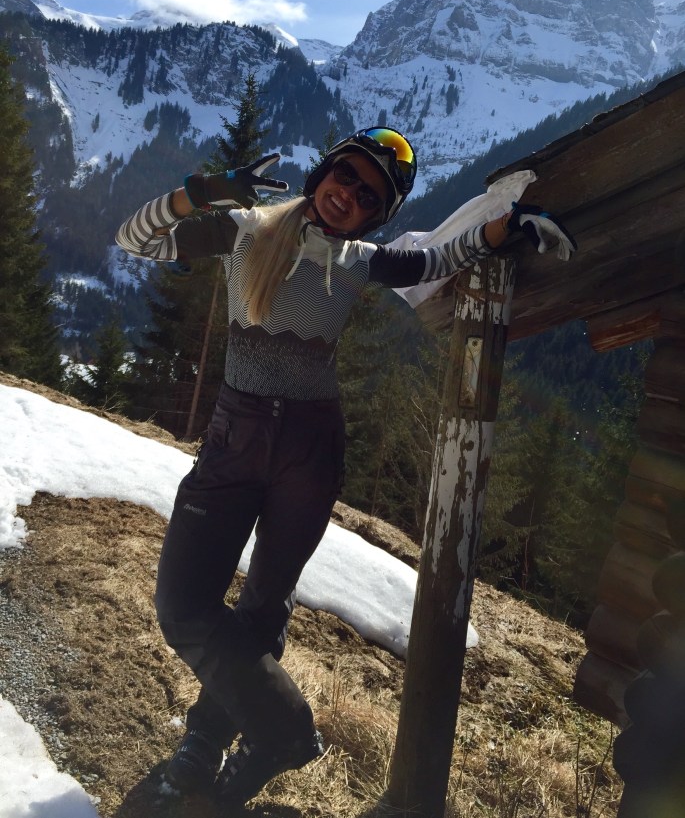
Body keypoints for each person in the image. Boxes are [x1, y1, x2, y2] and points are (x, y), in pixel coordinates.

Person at [115, 127, 576, 806]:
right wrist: (202, 193)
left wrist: (506, 226)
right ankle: (283, 731)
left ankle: (208, 745)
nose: (349, 196)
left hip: (310, 447)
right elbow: (136, 239)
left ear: (375, 216)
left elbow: (437, 259)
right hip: (237, 438)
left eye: (368, 197)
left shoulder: (362, 261)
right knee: (183, 606)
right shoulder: (245, 228)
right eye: (348, 176)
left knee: (264, 605)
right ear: (324, 171)